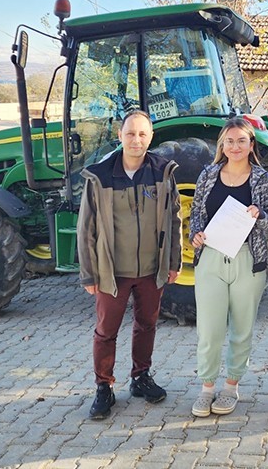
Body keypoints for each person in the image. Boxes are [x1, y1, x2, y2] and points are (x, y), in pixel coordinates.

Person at [77, 110, 182, 419]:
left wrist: (173, 261)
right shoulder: (100, 176)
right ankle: (104, 386)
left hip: (151, 269)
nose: (136, 140)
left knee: (147, 324)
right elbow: (87, 228)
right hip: (112, 271)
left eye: (142, 134)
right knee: (106, 331)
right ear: (120, 136)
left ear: (150, 138)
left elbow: (174, 220)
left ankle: (141, 377)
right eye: (130, 133)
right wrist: (89, 272)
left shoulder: (163, 173)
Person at [188, 118, 268, 417]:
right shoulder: (208, 174)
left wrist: (259, 215)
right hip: (212, 257)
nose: (236, 146)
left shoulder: (263, 179)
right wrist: (195, 235)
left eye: (242, 141)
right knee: (210, 328)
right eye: (230, 141)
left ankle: (231, 386)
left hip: (247, 259)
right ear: (222, 145)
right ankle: (207, 387)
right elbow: (196, 213)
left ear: (251, 144)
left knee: (242, 327)